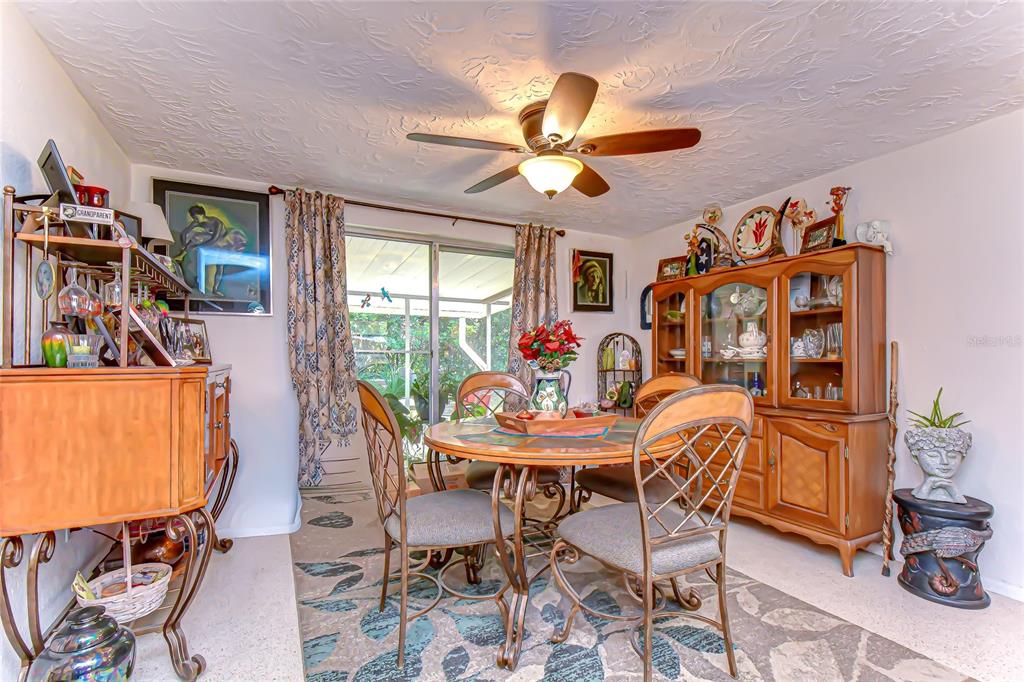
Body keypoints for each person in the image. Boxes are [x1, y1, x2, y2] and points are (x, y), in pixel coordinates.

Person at [174, 204, 248, 296]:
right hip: (210, 243)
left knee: (219, 267)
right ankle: (183, 257)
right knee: (196, 237)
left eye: (196, 218)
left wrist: (199, 246)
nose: (195, 220)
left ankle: (215, 289)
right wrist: (184, 245)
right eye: (193, 218)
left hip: (222, 243)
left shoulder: (217, 223)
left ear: (202, 215)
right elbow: (184, 233)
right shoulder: (197, 222)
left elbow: (215, 239)